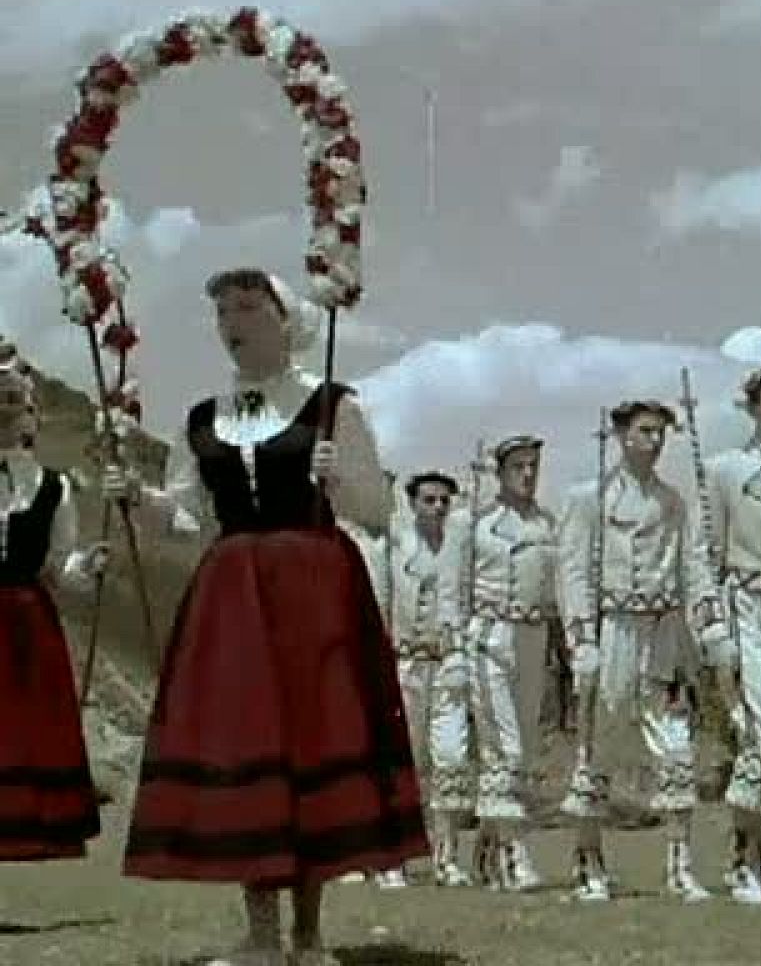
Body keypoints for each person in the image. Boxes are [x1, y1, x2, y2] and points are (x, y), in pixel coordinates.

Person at [108, 269, 425, 966]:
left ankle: (309, 937)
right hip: (235, 595)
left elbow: (375, 510)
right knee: (248, 740)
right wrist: (139, 497)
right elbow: (190, 519)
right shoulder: (204, 416)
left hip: (313, 587)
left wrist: (336, 473)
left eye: (249, 306)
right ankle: (258, 935)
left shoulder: (332, 404)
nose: (232, 319)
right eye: (222, 308)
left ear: (288, 320)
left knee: (309, 739)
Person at [557, 400, 733, 903]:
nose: (655, 442)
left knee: (674, 741)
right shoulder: (589, 498)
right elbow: (573, 572)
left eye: (661, 433)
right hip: (611, 628)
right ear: (621, 434)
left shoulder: (673, 502)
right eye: (645, 431)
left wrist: (708, 622)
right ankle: (587, 861)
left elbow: (692, 565)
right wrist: (581, 639)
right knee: (600, 737)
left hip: (663, 630)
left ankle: (679, 864)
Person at [692, 362, 761, 904]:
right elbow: (701, 557)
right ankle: (743, 859)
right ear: (754, 408)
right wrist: (714, 629)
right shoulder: (724, 471)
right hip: (748, 607)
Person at [0, 343, 109, 870]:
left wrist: (87, 567)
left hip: (24, 623)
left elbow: (57, 565)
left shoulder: (50, 486)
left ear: (29, 413)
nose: (3, 409)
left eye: (12, 400)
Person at [457, 436, 560, 891]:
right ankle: (514, 856)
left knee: (526, 746)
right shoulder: (477, 526)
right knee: (505, 749)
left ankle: (486, 846)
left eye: (533, 465)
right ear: (500, 472)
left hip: (534, 637)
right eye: (517, 466)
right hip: (491, 634)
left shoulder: (547, 525)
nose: (527, 474)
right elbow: (456, 591)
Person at [364, 470, 470, 889]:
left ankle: (446, 856)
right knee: (403, 761)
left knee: (450, 757)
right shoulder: (393, 546)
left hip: (447, 662)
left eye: (445, 500)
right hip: (404, 663)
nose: (438, 508)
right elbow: (382, 604)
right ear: (412, 503)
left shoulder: (460, 547)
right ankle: (391, 856)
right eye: (429, 500)